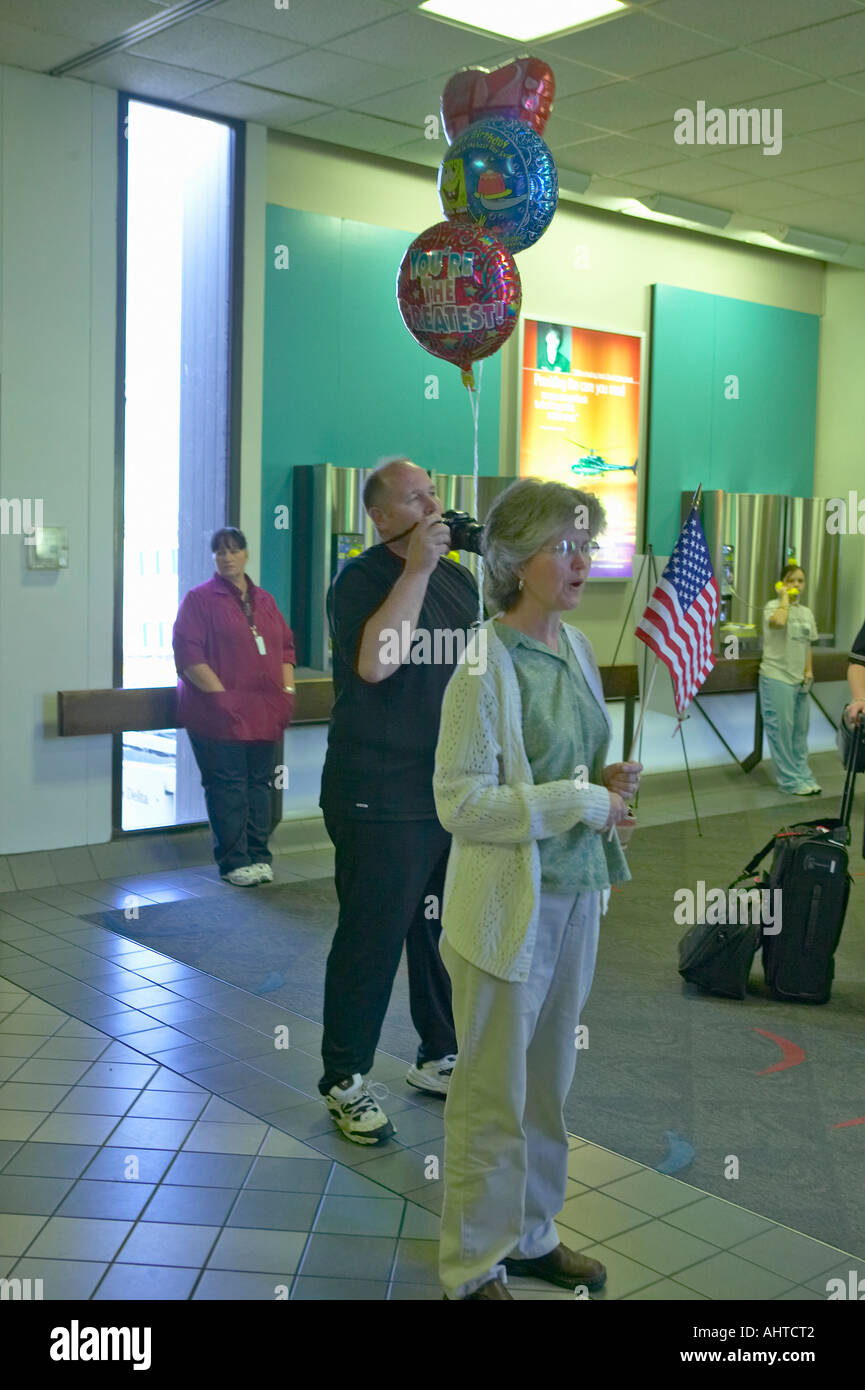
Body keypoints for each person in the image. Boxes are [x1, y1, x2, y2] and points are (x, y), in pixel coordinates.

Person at [432, 477, 641, 1300]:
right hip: (501, 912)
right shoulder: (481, 666)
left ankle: (531, 1234)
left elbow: (568, 771)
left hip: (576, 895)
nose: (583, 561)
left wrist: (607, 784)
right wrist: (575, 800)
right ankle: (471, 1262)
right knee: (492, 1093)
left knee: (548, 1086)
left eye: (587, 545)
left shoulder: (576, 649)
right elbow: (459, 802)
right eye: (566, 546)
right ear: (517, 562)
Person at [318, 458, 479, 1144]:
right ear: (382, 517)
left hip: (446, 787)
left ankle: (439, 1054)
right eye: (415, 499)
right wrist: (413, 568)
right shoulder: (362, 578)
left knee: (443, 931)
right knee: (374, 935)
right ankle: (344, 1079)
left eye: (434, 493)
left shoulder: (460, 583)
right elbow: (377, 662)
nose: (432, 506)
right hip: (376, 793)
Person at [172, 527, 295, 886]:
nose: (226, 557)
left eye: (233, 550)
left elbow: (286, 648)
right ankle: (233, 861)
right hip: (216, 714)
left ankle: (259, 855)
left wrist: (286, 691)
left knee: (259, 786)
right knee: (227, 787)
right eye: (219, 551)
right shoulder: (199, 600)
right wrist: (221, 697)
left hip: (264, 712)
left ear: (245, 554)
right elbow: (188, 654)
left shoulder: (266, 601)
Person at [758, 562, 820, 796]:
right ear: (782, 583)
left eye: (800, 581)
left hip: (799, 679)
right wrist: (784, 598)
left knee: (800, 733)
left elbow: (807, 645)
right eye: (791, 580)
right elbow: (779, 622)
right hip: (776, 676)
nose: (796, 585)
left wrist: (808, 671)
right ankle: (789, 781)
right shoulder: (772, 607)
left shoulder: (806, 613)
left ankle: (804, 775)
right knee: (781, 732)